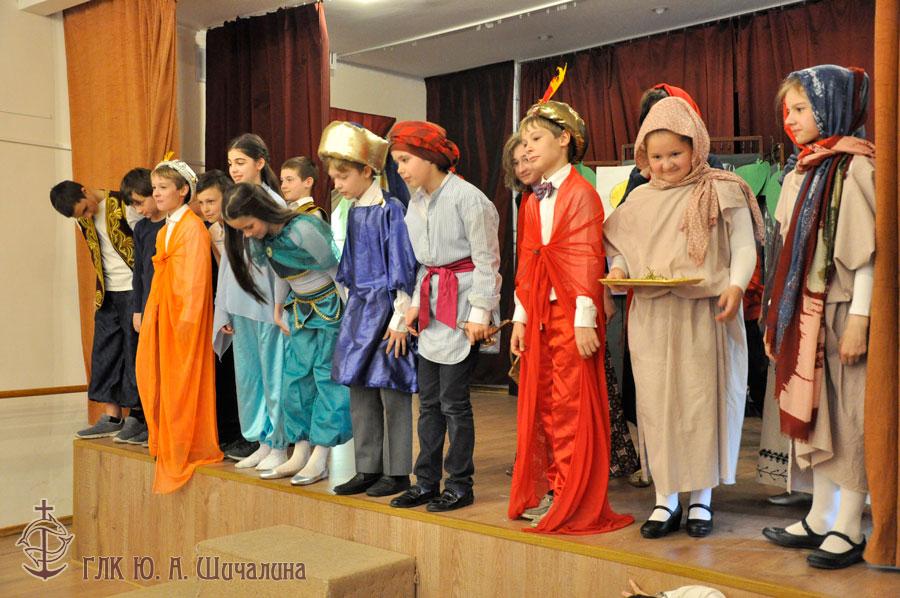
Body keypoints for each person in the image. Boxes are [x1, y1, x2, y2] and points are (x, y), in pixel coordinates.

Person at [604, 97, 763, 539]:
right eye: (656, 156)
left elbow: (745, 247)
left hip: (706, 313)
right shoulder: (639, 198)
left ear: (696, 146)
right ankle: (665, 499)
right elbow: (619, 247)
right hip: (653, 316)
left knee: (701, 403)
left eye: (675, 153)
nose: (666, 164)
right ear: (643, 156)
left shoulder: (722, 189)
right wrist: (619, 269)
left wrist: (735, 286)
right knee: (657, 406)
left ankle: (701, 500)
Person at [761, 65, 875, 570]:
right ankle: (821, 514)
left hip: (844, 308)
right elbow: (784, 252)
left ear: (833, 107)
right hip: (808, 313)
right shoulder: (802, 170)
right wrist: (776, 317)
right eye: (787, 110)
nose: (790, 119)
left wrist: (861, 319)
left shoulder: (857, 168)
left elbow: (869, 255)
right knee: (818, 416)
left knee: (850, 417)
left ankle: (849, 525)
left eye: (802, 108)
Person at [507, 99, 634, 534]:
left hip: (570, 315)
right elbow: (528, 263)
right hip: (541, 313)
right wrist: (521, 317)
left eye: (536, 138)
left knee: (570, 405)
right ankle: (554, 485)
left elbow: (585, 258)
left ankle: (571, 493)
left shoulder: (581, 193)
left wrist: (584, 318)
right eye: (524, 141)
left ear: (564, 140)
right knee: (544, 404)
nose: (527, 148)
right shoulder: (532, 200)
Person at [387, 121, 502, 513]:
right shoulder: (416, 202)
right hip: (433, 306)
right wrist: (415, 304)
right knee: (429, 402)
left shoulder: (469, 199)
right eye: (397, 161)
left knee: (454, 403)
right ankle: (425, 481)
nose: (400, 169)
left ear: (429, 157)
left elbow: (487, 261)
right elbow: (425, 264)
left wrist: (480, 313)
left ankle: (459, 483)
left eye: (405, 160)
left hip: (464, 304)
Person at [223, 182, 351, 486]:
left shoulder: (303, 229)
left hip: (329, 308)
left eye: (249, 226)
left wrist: (350, 316)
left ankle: (320, 455)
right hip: (299, 309)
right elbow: (284, 273)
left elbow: (337, 272)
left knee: (326, 378)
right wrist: (278, 309)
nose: (247, 234)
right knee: (295, 379)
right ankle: (300, 449)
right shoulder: (266, 238)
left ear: (262, 212)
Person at [318, 122, 419, 498]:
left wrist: (399, 319)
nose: (337, 184)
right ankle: (367, 467)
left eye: (343, 176)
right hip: (359, 312)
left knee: (391, 389)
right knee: (359, 389)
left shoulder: (390, 210)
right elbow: (348, 267)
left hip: (388, 313)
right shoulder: (354, 211)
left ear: (367, 171)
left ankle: (397, 471)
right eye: (334, 177)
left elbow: (403, 267)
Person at [135, 159, 223, 493]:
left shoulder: (192, 228)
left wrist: (186, 322)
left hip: (183, 320)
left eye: (163, 188)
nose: (156, 194)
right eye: (154, 188)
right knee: (156, 378)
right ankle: (167, 441)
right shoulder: (166, 228)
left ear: (183, 190)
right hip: (163, 315)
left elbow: (196, 281)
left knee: (183, 383)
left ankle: (187, 444)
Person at [214, 133, 290, 471]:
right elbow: (229, 261)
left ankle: (279, 443)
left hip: (267, 303)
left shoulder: (272, 203)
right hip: (240, 301)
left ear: (260, 162)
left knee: (274, 375)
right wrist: (223, 306)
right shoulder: (233, 200)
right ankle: (260, 440)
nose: (234, 169)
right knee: (249, 378)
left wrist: (280, 305)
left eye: (240, 162)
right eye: (231, 163)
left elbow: (282, 263)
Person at [49, 179, 141, 440]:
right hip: (107, 292)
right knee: (104, 352)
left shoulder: (123, 204)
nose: (87, 216)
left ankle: (138, 416)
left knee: (133, 352)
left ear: (85, 191)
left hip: (133, 288)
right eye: (80, 216)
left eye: (85, 209)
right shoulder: (82, 220)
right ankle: (112, 416)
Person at [195, 169, 246, 456]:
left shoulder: (242, 226)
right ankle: (230, 431)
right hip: (227, 304)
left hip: (249, 307)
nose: (206, 209)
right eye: (202, 203)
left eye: (211, 201)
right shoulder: (212, 229)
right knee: (227, 368)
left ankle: (251, 435)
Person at [120, 167, 161, 445]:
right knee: (148, 370)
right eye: (133, 205)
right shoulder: (143, 228)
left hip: (166, 305)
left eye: (139, 202)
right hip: (146, 305)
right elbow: (138, 273)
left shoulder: (172, 225)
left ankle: (163, 426)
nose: (138, 209)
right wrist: (137, 309)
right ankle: (150, 423)